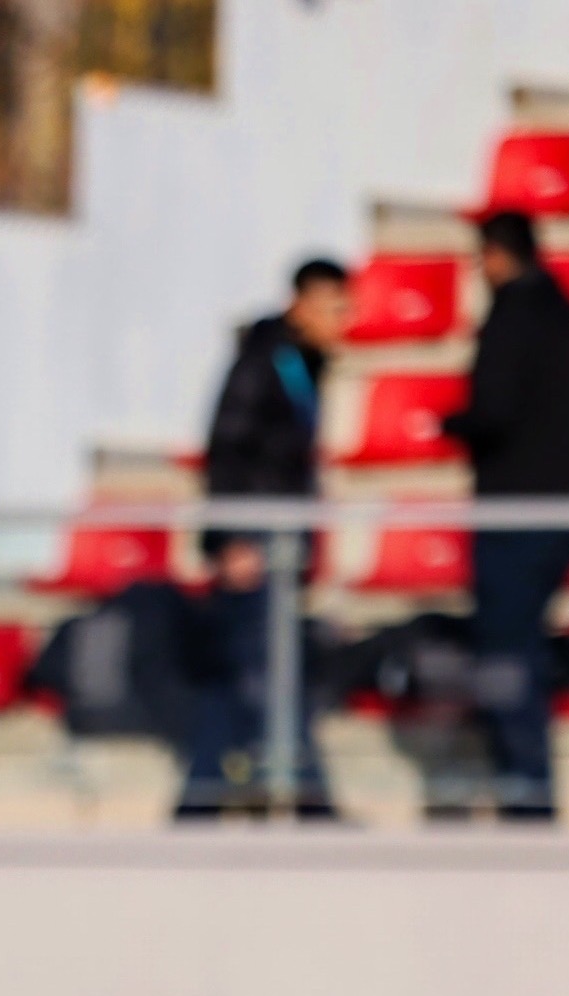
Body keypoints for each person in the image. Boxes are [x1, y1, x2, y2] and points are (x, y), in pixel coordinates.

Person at [444, 210, 569, 824]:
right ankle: (528, 783)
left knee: (507, 651)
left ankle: (526, 787)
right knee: (525, 645)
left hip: (515, 514)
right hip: (567, 509)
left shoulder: (513, 319)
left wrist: (452, 424)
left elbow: (494, 411)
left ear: (496, 256)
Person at [179, 257, 350, 822]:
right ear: (300, 304)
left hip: (278, 541)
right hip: (256, 540)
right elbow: (227, 448)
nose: (339, 319)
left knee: (244, 672)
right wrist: (231, 540)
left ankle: (201, 800)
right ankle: (309, 798)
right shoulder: (263, 364)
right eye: (330, 307)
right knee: (266, 670)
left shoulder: (300, 364)